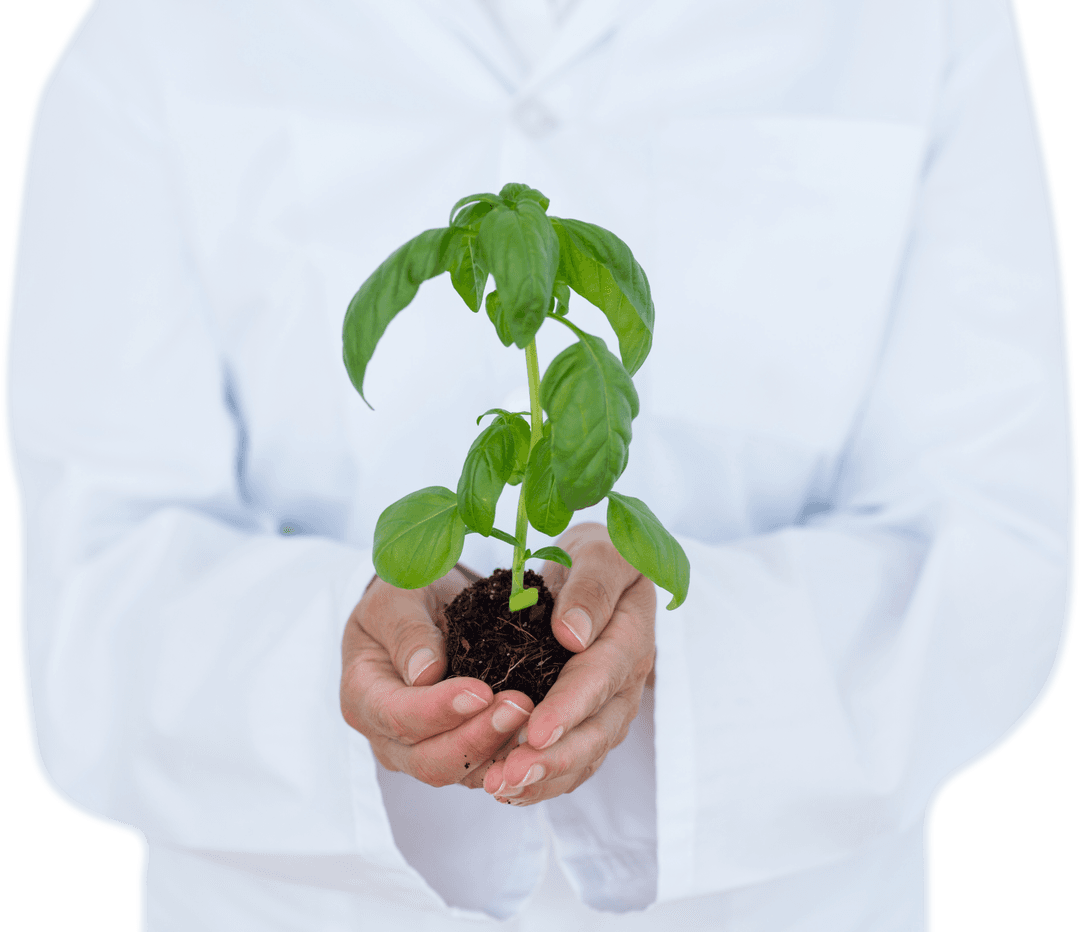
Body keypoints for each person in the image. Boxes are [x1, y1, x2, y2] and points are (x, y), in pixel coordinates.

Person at [4, 0, 1074, 929]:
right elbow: (96, 584)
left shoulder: (932, 15)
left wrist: (669, 653)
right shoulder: (148, 24)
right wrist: (356, 652)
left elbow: (994, 547)